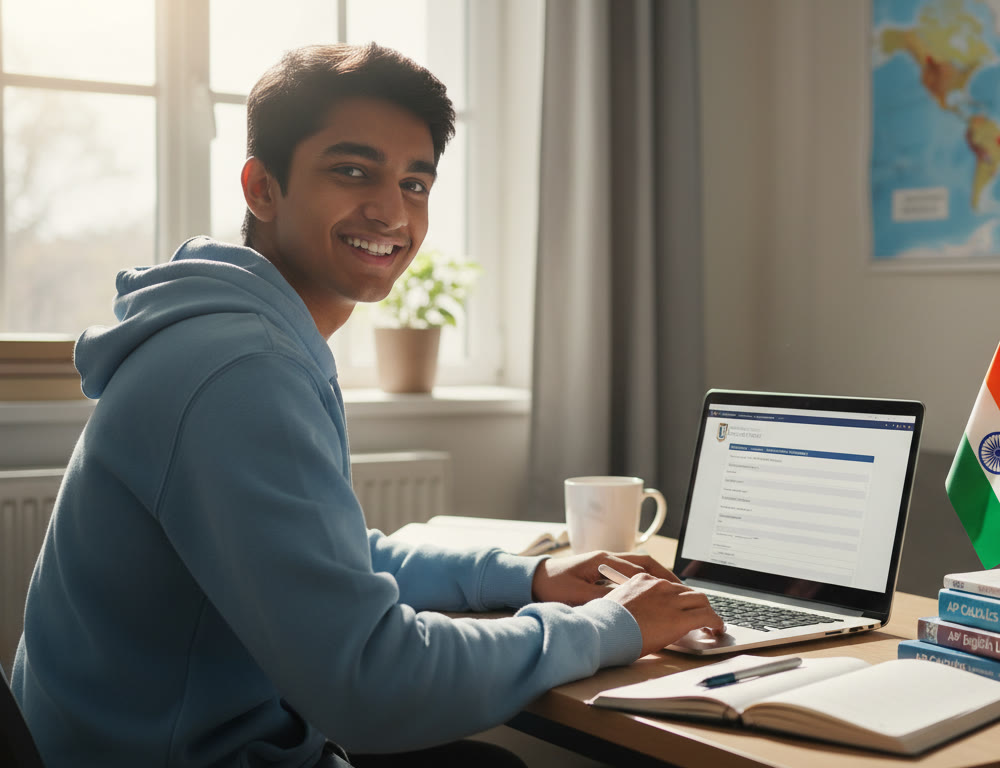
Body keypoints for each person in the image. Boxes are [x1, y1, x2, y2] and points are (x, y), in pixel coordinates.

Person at [11, 43, 723, 767]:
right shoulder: (241, 370)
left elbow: (334, 559)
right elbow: (372, 684)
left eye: (415, 183)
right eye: (352, 171)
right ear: (262, 187)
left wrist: (528, 578)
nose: (390, 211)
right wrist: (608, 626)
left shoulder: (236, 334)